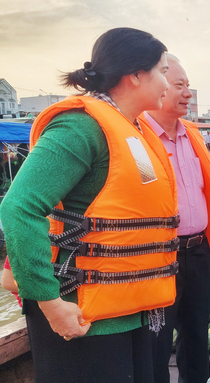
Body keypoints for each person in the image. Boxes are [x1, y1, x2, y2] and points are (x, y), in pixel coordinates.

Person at [0, 28, 178, 382]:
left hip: (133, 309)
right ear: (136, 74)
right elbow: (19, 208)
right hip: (83, 318)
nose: (167, 83)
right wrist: (50, 304)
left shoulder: (133, 130)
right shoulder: (79, 127)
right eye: (162, 71)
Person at [139, 55, 210, 383]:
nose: (187, 94)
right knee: (157, 341)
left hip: (197, 252)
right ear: (158, 85)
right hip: (157, 256)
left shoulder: (193, 136)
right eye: (178, 85)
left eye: (188, 87)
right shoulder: (137, 139)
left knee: (196, 334)